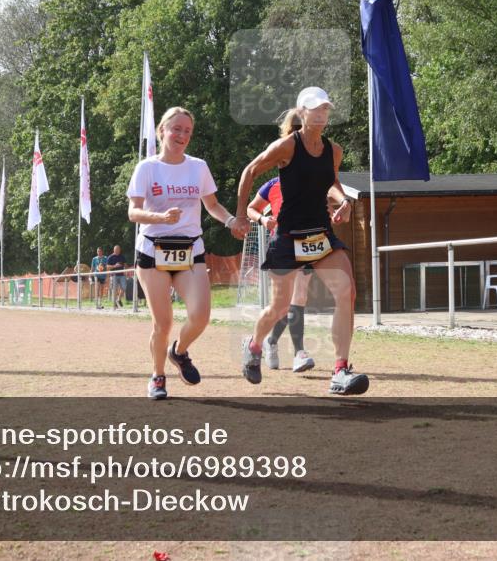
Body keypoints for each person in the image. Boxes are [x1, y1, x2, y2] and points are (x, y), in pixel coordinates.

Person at [234, 87, 368, 395]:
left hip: (320, 235)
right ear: (302, 112)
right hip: (288, 237)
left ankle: (340, 370)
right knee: (280, 306)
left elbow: (332, 181)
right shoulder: (286, 147)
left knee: (346, 293)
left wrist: (343, 201)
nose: (321, 114)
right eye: (315, 109)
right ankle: (253, 345)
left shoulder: (333, 150)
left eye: (325, 109)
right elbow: (250, 170)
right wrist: (242, 216)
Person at [128, 106, 247, 399]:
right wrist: (160, 218)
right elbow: (133, 212)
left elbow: (212, 205)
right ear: (162, 131)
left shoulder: (198, 167)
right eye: (176, 129)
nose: (182, 135)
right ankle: (157, 377)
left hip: (190, 249)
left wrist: (231, 220)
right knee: (163, 322)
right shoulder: (147, 167)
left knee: (200, 315)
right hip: (152, 251)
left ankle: (178, 352)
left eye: (187, 131)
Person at [246, 110, 315, 373]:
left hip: (309, 241)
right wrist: (262, 220)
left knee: (300, 297)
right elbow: (252, 208)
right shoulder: (272, 184)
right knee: (282, 304)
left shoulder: (313, 180)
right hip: (283, 242)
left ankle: (298, 352)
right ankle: (269, 341)